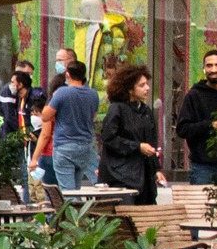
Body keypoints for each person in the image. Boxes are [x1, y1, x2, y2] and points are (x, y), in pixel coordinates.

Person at [175, 48, 217, 187]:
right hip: (202, 167)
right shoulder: (194, 95)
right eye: (209, 65)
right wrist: (210, 125)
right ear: (204, 68)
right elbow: (182, 129)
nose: (213, 69)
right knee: (201, 207)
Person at [98, 63, 163, 205]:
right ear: (130, 89)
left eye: (147, 84)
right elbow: (110, 139)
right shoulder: (117, 109)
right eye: (142, 85)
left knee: (146, 220)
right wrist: (137, 147)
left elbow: (151, 143)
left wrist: (156, 170)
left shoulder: (146, 111)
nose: (147, 88)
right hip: (120, 176)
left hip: (144, 177)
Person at [47, 58, 101, 192]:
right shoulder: (93, 94)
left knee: (67, 191)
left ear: (67, 75)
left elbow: (46, 115)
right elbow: (93, 116)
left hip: (64, 146)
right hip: (85, 146)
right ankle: (78, 212)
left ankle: (71, 212)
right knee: (76, 188)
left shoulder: (62, 92)